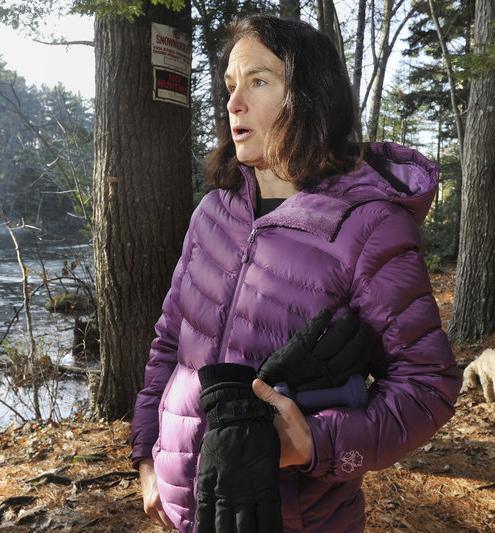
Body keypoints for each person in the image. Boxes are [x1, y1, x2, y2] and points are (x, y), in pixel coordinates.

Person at [131, 13, 461, 533]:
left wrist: (314, 442)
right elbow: (169, 346)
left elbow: (428, 384)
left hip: (296, 519)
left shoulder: (370, 226)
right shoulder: (212, 214)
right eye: (230, 84)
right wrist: (147, 457)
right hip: (185, 508)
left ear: (310, 97)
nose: (234, 102)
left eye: (258, 81)